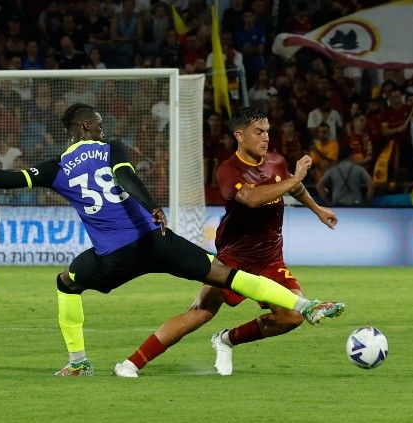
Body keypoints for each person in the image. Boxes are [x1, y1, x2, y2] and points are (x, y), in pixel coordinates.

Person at [0, 103, 345, 377]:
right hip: (157, 238)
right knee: (226, 274)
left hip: (114, 257)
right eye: (99, 124)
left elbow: (3, 179)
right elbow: (125, 176)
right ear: (87, 126)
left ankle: (78, 362)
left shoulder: (53, 167)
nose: (104, 129)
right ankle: (304, 304)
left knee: (67, 283)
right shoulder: (112, 147)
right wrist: (152, 206)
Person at [114, 107, 340, 378]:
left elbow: (294, 188)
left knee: (292, 316)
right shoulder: (228, 170)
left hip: (270, 260)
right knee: (199, 313)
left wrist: (318, 210)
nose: (265, 137)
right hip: (233, 261)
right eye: (258, 132)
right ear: (240, 135)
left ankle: (226, 340)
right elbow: (250, 198)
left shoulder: (277, 162)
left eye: (268, 131)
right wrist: (295, 178)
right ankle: (131, 363)